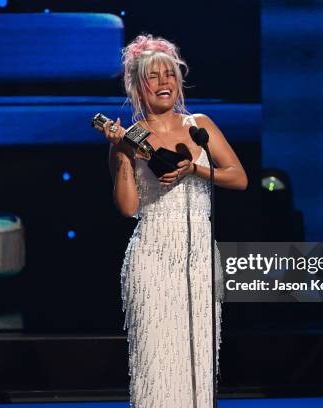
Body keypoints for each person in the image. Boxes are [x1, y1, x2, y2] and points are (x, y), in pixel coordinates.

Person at [102, 34, 248, 408]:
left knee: (197, 356)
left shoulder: (199, 125)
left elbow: (238, 176)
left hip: (198, 257)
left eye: (170, 74)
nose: (164, 82)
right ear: (137, 85)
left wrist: (195, 169)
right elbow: (128, 207)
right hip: (151, 256)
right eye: (154, 76)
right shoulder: (132, 138)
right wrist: (120, 154)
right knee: (156, 360)